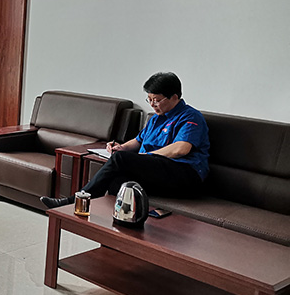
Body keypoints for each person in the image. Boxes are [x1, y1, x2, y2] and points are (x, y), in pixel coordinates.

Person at [41, 72, 210, 208]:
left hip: (184, 174)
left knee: (121, 160)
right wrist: (121, 147)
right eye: (149, 99)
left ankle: (75, 201)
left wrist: (144, 157)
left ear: (174, 97)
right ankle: (112, 229)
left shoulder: (190, 116)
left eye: (157, 100)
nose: (152, 104)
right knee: (117, 183)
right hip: (157, 171)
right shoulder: (156, 118)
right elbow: (138, 141)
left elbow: (181, 149)